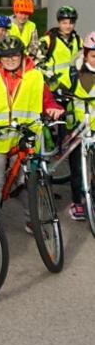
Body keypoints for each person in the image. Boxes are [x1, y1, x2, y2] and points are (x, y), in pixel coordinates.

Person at [0, 36, 63, 247]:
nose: (10, 60)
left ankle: (32, 220)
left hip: (26, 136)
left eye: (14, 55)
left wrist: (53, 108)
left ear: (22, 56)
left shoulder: (36, 76)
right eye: (5, 56)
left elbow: (47, 99)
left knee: (28, 181)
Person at [60, 32, 95, 221]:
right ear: (86, 54)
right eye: (94, 56)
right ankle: (77, 202)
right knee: (77, 167)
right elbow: (57, 88)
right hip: (77, 128)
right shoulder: (74, 72)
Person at [39, 6, 80, 84]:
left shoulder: (78, 40)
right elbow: (36, 62)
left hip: (73, 83)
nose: (68, 26)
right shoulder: (48, 41)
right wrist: (48, 77)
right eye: (64, 23)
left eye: (71, 23)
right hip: (53, 84)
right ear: (59, 23)